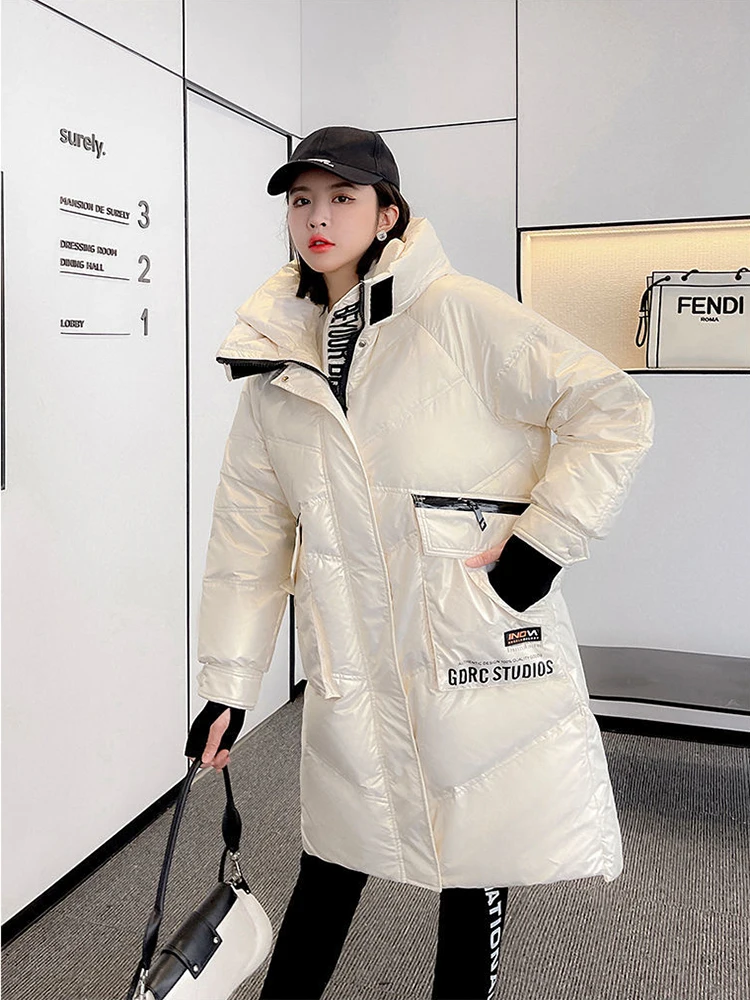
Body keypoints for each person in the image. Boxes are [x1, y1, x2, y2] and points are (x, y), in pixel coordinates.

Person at [184, 126, 655, 999]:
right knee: (332, 860)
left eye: (342, 198)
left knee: (475, 866)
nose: (318, 218)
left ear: (387, 214)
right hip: (354, 660)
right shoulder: (274, 364)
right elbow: (248, 535)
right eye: (301, 200)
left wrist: (541, 546)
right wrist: (229, 683)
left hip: (467, 637)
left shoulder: (458, 314)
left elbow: (612, 409)